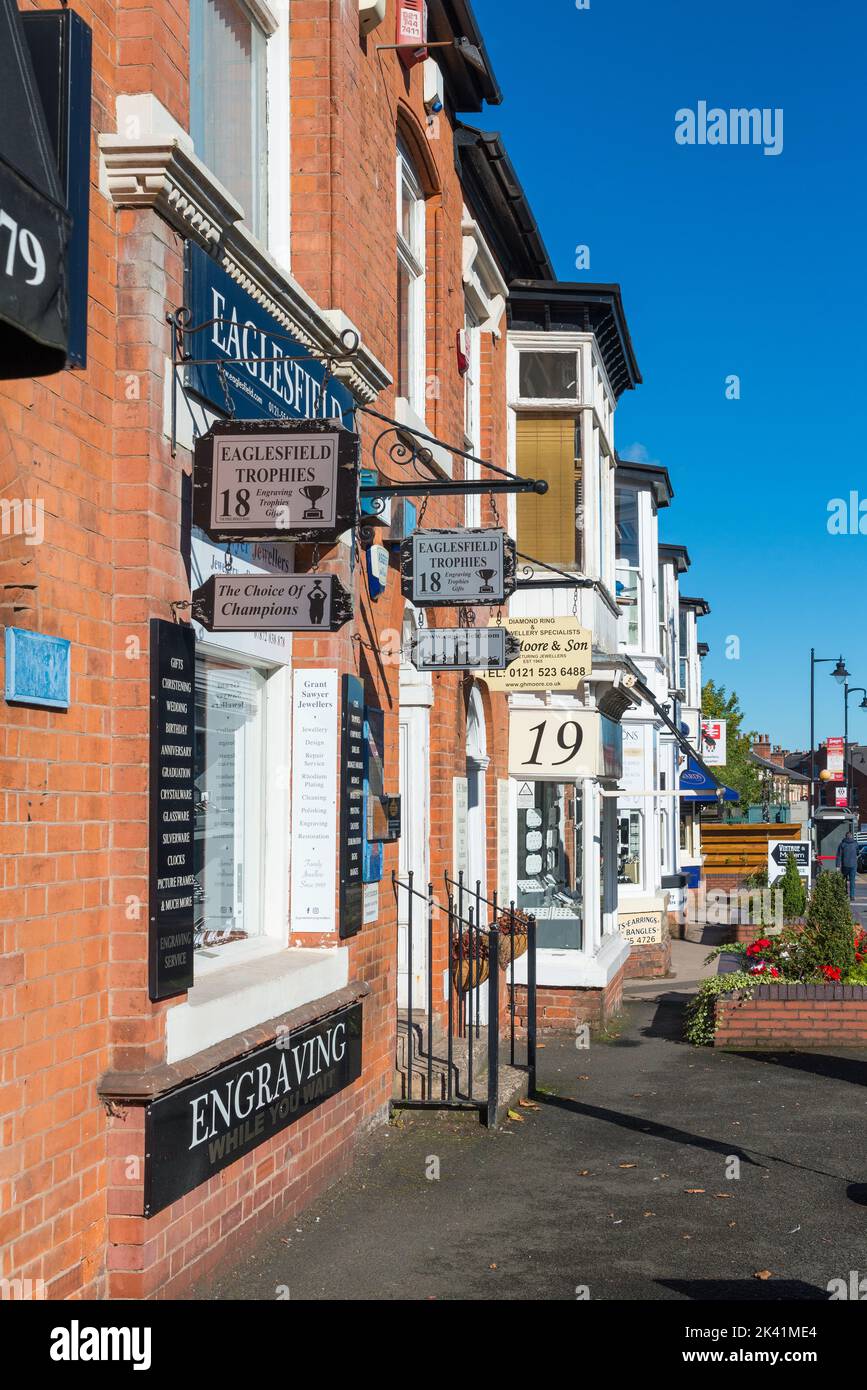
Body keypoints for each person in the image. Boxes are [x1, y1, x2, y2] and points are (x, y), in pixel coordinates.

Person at [836, 830, 859, 900]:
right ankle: (852, 896)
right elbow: (857, 852)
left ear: (845, 837)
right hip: (853, 865)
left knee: (844, 880)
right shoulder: (855, 844)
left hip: (845, 865)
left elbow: (839, 855)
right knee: (852, 881)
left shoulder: (842, 844)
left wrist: (837, 865)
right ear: (852, 836)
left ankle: (844, 894)